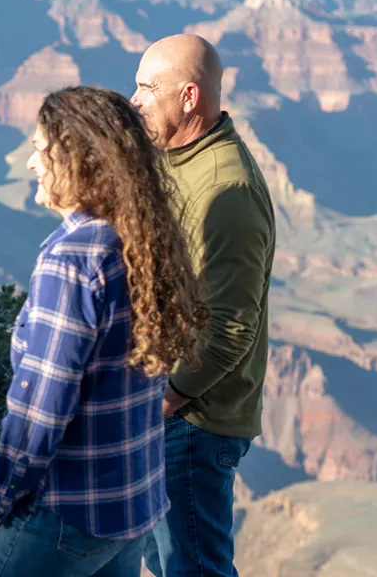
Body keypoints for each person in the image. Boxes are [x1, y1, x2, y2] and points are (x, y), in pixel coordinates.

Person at [0, 86, 210, 577]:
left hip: (65, 512)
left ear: (76, 159)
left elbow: (40, 410)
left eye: (40, 149)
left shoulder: (73, 260)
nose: (32, 164)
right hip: (132, 507)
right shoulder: (144, 239)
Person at [130, 33, 276, 576]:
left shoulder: (226, 189)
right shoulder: (179, 157)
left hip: (193, 422)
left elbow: (232, 328)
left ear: (189, 98)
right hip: (167, 411)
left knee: (192, 570)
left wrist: (166, 401)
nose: (135, 99)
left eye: (148, 87)